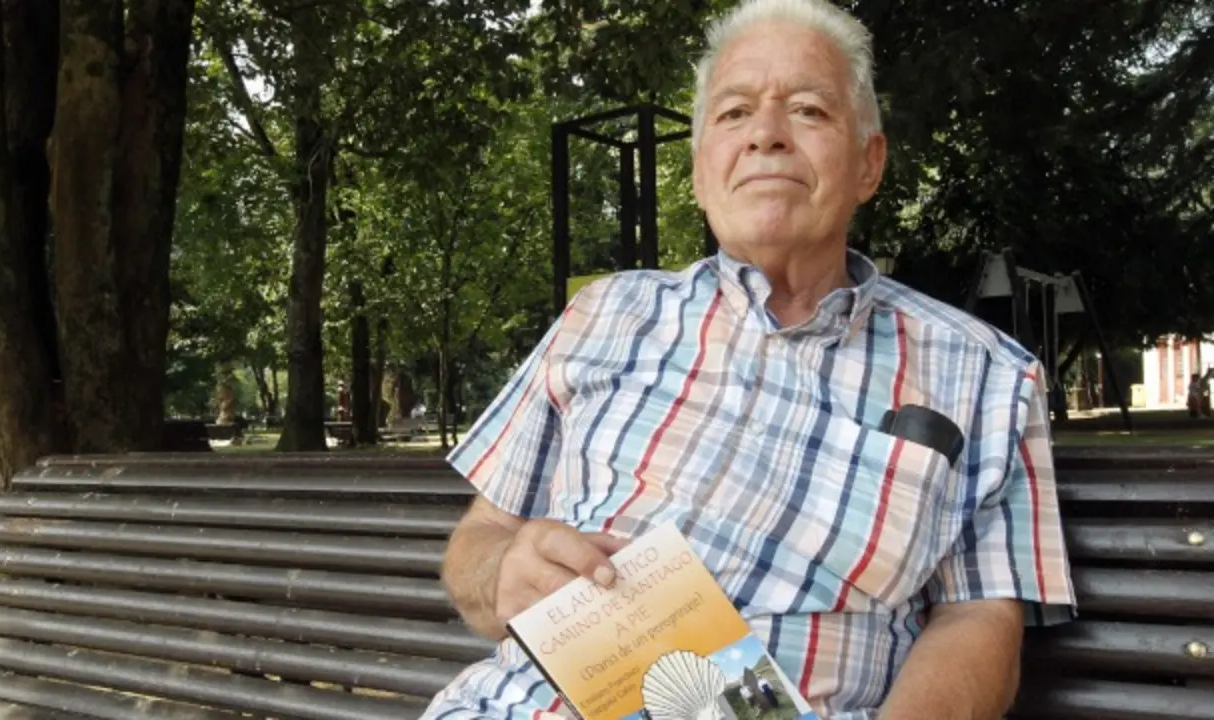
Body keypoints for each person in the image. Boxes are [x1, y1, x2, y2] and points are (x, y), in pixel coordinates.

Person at [421, 0, 1077, 717]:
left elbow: (979, 619)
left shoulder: (986, 375)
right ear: (702, 172)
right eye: (733, 114)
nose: (765, 135)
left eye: (809, 110)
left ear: (869, 163)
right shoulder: (604, 313)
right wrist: (503, 573)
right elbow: (481, 540)